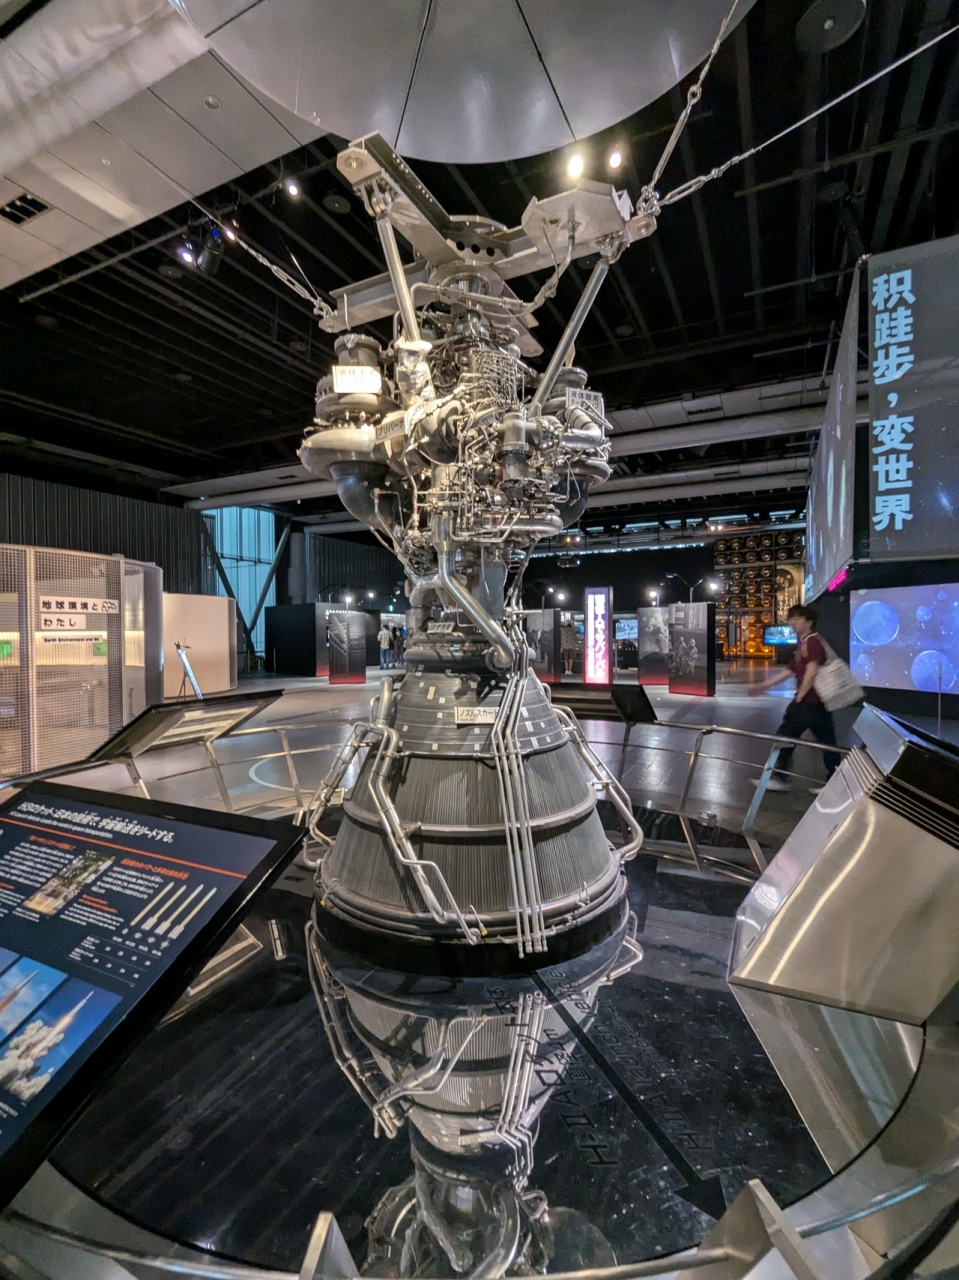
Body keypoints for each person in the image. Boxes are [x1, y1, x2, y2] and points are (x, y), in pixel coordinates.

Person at [748, 604, 841, 794]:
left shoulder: (812, 642)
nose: (793, 623)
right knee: (826, 742)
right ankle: (836, 782)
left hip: (808, 702)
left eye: (798, 619)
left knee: (786, 735)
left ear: (809, 622)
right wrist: (764, 685)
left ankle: (780, 777)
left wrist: (800, 696)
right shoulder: (803, 643)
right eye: (791, 619)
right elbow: (790, 670)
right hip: (816, 703)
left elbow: (811, 671)